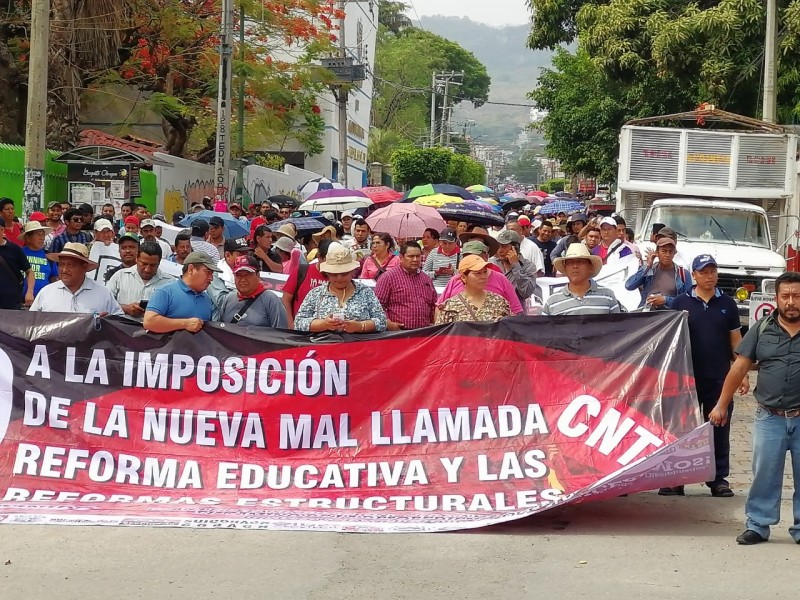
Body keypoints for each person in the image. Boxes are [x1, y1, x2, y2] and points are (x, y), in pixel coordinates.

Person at [708, 271, 800, 545]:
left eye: (797, 296)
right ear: (777, 299)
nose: (791, 301)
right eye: (786, 296)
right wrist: (721, 405)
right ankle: (758, 525)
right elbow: (739, 367)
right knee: (764, 474)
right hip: (769, 417)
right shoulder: (761, 328)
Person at [662, 254, 746, 498]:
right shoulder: (679, 302)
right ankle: (675, 479)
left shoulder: (728, 304)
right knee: (681, 429)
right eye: (704, 272)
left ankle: (718, 478)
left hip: (719, 377)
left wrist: (742, 372)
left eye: (713, 271)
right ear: (694, 275)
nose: (709, 276)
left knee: (719, 428)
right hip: (685, 377)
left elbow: (736, 340)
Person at [294, 242, 387, 333]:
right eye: (334, 274)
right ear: (327, 273)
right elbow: (299, 322)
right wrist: (324, 324)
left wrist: (360, 326)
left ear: (352, 272)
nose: (339, 278)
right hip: (324, 345)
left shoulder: (365, 292)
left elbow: (382, 321)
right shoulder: (316, 294)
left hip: (360, 346)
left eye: (344, 273)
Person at [30, 243, 123, 315]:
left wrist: (107, 322)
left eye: (70, 265)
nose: (64, 270)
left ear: (84, 267)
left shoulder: (103, 294)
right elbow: (31, 322)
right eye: (61, 265)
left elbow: (119, 321)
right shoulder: (46, 292)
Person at [438, 240, 524, 315]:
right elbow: (439, 308)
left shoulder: (500, 281)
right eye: (466, 256)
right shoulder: (455, 280)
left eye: (476, 256)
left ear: (486, 257)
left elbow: (515, 311)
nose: (471, 259)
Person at [143, 252, 221, 333]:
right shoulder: (165, 292)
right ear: (191, 269)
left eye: (212, 274)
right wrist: (185, 324)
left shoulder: (207, 299)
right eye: (207, 272)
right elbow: (149, 322)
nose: (211, 278)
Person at [543, 243, 622, 315]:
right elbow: (545, 330)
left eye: (580, 262)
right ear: (565, 268)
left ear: (590, 267)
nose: (575, 266)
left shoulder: (608, 296)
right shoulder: (552, 302)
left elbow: (617, 328)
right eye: (570, 263)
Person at [375, 242, 438, 330]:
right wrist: (388, 324)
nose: (415, 259)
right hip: (398, 333)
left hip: (424, 334)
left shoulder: (426, 279)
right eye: (411, 256)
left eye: (418, 256)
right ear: (401, 258)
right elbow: (377, 305)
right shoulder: (388, 278)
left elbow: (434, 305)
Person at [107, 241, 174, 320]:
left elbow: (176, 311)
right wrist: (125, 308)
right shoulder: (119, 277)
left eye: (152, 265)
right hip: (123, 329)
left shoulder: (170, 283)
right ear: (136, 259)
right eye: (144, 264)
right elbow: (105, 304)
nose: (147, 270)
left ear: (159, 263)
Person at [435, 255, 511, 324]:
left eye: (485, 272)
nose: (483, 276)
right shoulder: (450, 306)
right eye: (477, 273)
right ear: (464, 277)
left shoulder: (499, 302)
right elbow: (441, 336)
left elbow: (510, 332)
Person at [220, 255, 288, 328]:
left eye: (247, 275)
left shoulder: (271, 300)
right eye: (238, 275)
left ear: (258, 276)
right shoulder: (228, 299)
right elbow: (219, 330)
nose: (243, 280)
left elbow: (280, 334)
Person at [625, 237, 692, 308]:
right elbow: (629, 285)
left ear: (674, 253)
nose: (667, 255)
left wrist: (665, 300)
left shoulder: (683, 274)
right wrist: (647, 266)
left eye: (670, 251)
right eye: (664, 251)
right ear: (657, 253)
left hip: (670, 316)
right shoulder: (650, 270)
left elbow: (688, 301)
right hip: (646, 314)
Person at [282, 239, 331, 328]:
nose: (332, 267)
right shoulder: (302, 271)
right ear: (319, 257)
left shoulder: (340, 277)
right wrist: (290, 325)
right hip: (300, 331)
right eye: (329, 262)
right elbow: (286, 299)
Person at [490, 230, 538, 303]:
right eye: (498, 246)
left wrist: (516, 265)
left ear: (515, 248)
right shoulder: (492, 263)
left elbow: (526, 292)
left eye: (504, 247)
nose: (500, 250)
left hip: (516, 311)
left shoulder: (528, 266)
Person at [0, 218, 34, 308]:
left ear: (2, 230)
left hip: (11, 302)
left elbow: (29, 271)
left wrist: (29, 292)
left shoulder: (14, 249)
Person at [19, 221, 56, 301]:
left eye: (43, 235)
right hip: (20, 299)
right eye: (38, 234)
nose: (42, 238)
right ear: (28, 238)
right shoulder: (19, 254)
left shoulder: (49, 256)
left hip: (44, 299)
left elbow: (54, 277)